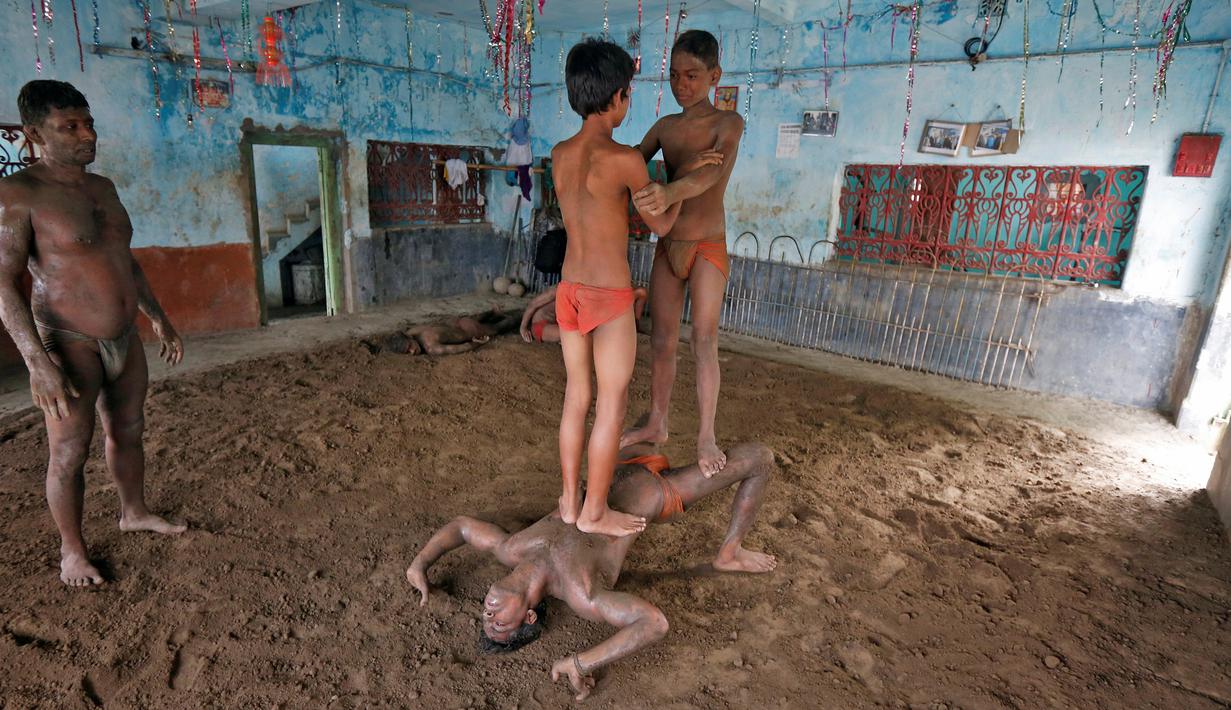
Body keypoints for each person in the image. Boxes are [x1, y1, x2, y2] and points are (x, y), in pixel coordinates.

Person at [406, 441, 778, 702]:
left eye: (484, 617)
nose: (487, 613)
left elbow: (461, 526)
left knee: (629, 375)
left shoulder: (510, 549)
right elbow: (653, 623)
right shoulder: (582, 592)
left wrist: (420, 563)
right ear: (529, 616)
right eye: (498, 623)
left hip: (613, 462)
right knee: (760, 458)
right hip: (658, 490)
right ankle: (729, 552)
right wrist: (580, 662)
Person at [0, 80, 187, 587]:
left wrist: (158, 316)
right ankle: (72, 552)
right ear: (34, 133)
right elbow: (4, 282)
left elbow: (124, 259)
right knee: (68, 452)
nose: (87, 136)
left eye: (89, 124)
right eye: (70, 127)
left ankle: (134, 511)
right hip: (68, 341)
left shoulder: (103, 188)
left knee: (128, 431)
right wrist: (37, 362)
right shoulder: (19, 193)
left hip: (124, 336)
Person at [550, 39, 720, 537]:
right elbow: (664, 226)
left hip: (569, 292)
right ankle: (595, 510)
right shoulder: (624, 159)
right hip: (608, 298)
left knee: (575, 397)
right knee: (613, 404)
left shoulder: (560, 154)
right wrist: (688, 179)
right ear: (620, 96)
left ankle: (568, 500)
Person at [621, 30, 745, 478]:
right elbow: (632, 162)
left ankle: (706, 435)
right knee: (660, 341)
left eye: (692, 75)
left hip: (708, 244)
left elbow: (710, 179)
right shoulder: (665, 128)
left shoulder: (728, 124)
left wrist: (671, 185)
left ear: (715, 75)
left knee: (704, 340)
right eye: (674, 75)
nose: (682, 84)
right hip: (668, 245)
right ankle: (658, 419)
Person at [519, 285, 648, 344]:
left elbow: (641, 292)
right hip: (542, 326)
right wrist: (523, 327)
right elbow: (532, 305)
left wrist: (634, 323)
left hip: (568, 325)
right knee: (581, 337)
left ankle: (636, 326)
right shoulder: (558, 289)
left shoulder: (589, 288)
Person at [363, 308, 520, 356]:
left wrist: (479, 343)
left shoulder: (432, 348)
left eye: (410, 347)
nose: (412, 352)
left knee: (498, 329)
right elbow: (395, 340)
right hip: (458, 321)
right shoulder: (411, 332)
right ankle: (492, 312)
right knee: (476, 319)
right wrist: (378, 347)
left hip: (469, 330)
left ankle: (521, 316)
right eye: (408, 352)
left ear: (410, 338)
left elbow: (461, 348)